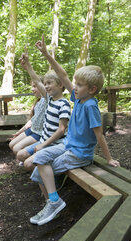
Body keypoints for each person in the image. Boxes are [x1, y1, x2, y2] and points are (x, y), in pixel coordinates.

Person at [28, 35, 120, 226]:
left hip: (79, 154)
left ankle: (54, 202)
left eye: (79, 85)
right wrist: (46, 54)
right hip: (68, 146)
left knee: (39, 165)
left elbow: (99, 135)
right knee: (37, 170)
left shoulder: (90, 107)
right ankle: (52, 203)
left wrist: (109, 158)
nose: (74, 87)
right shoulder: (78, 98)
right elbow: (62, 74)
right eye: (75, 84)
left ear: (92, 89)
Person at [17, 50, 71, 171]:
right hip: (44, 140)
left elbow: (61, 130)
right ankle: (42, 170)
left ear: (61, 84)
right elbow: (36, 81)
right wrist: (28, 65)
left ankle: (50, 175)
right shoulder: (49, 99)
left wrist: (43, 145)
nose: (46, 86)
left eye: (49, 83)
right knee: (20, 155)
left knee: (28, 164)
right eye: (45, 84)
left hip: (55, 144)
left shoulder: (64, 104)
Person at [9, 73, 47, 160]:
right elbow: (32, 120)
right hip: (31, 129)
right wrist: (19, 132)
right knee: (11, 144)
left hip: (38, 133)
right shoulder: (38, 102)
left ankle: (28, 161)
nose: (32, 89)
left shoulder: (46, 100)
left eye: (35, 86)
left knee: (16, 148)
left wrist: (28, 68)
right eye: (32, 86)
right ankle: (25, 159)